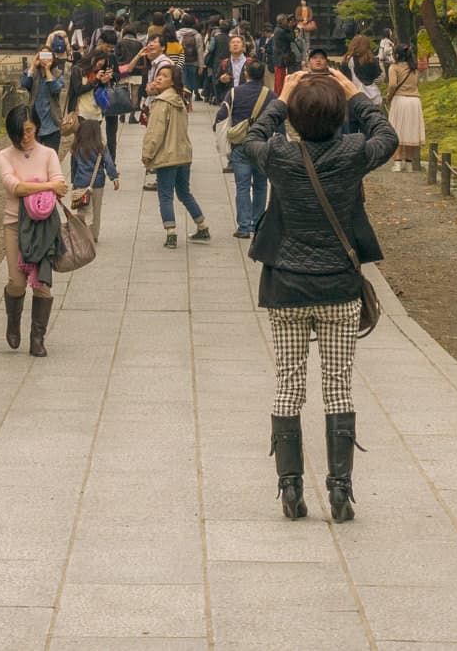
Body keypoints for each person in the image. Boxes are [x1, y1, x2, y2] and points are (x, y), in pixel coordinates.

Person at [243, 68, 396, 523]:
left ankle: (290, 488)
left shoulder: (279, 157)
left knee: (288, 385)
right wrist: (355, 94)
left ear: (293, 117)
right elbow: (386, 134)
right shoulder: (352, 154)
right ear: (340, 115)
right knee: (338, 386)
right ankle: (340, 488)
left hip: (287, 287)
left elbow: (251, 136)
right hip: (338, 287)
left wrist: (281, 96)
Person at [0, 106, 67, 356]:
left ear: (36, 126)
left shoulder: (48, 153)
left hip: (44, 226)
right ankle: (13, 321)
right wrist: (46, 185)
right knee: (16, 282)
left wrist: (37, 186)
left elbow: (61, 185)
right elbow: (14, 187)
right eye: (20, 133)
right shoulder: (4, 155)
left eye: (29, 130)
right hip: (15, 224)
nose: (25, 137)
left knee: (42, 285)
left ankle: (38, 337)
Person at [142, 64, 211, 248]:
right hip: (183, 154)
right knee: (184, 192)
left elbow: (155, 132)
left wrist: (147, 154)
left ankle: (171, 233)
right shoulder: (179, 99)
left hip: (167, 155)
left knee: (165, 195)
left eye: (164, 76)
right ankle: (202, 226)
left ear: (172, 81)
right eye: (158, 75)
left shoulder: (162, 102)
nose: (159, 78)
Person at [220, 58, 272, 238]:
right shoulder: (271, 95)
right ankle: (257, 224)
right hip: (263, 144)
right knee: (260, 185)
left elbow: (221, 115)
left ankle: (243, 226)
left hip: (241, 144)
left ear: (246, 73)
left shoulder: (235, 93)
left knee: (242, 186)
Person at [67, 116, 119, 240]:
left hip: (80, 181)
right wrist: (114, 178)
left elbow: (73, 166)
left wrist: (73, 182)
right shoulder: (100, 147)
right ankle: (94, 235)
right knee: (96, 210)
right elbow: (109, 162)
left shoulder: (76, 147)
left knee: (82, 208)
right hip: (97, 182)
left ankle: (82, 233)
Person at [383, 43, 424, 169]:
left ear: (396, 55)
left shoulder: (394, 68)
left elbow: (392, 85)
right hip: (414, 101)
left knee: (397, 130)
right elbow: (416, 83)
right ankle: (409, 164)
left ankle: (397, 162)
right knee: (410, 130)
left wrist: (389, 96)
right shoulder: (414, 68)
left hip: (399, 99)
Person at [21, 48, 66, 151]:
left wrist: (47, 70)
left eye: (47, 56)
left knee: (51, 158)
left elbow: (55, 89)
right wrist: (32, 65)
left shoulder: (58, 73)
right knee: (34, 159)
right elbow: (24, 83)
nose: (45, 59)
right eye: (42, 56)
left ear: (53, 58)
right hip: (34, 123)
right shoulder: (33, 73)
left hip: (52, 123)